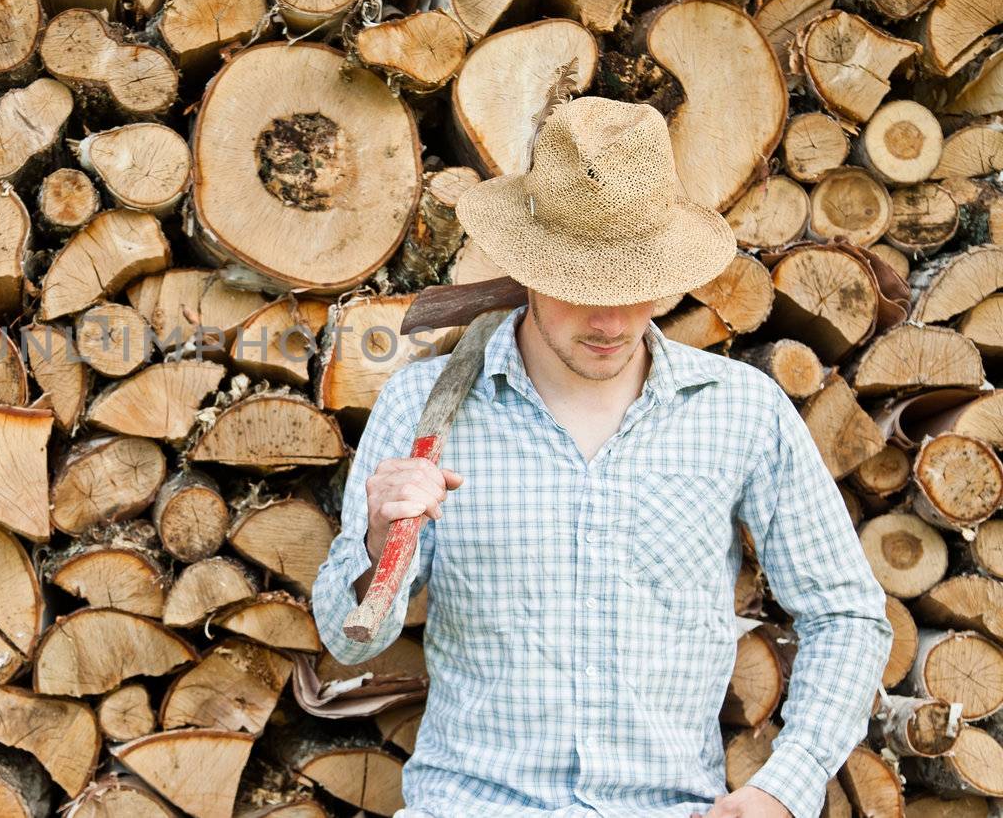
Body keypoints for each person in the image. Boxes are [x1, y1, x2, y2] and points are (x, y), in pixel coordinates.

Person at [310, 97, 894, 818]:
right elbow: (346, 638)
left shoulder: (740, 410)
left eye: (633, 286)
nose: (612, 321)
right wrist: (376, 538)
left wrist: (786, 785)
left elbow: (845, 613)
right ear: (527, 266)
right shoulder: (426, 408)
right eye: (583, 288)